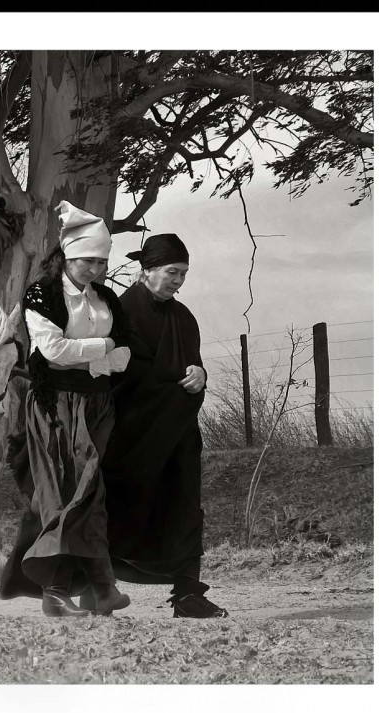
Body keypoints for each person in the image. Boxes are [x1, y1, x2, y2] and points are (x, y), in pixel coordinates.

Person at [0, 201, 133, 617]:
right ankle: (63, 590)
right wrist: (101, 349)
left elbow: (125, 355)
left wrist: (93, 354)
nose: (95, 270)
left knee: (91, 493)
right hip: (54, 406)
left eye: (101, 262)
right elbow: (51, 352)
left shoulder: (106, 298)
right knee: (61, 493)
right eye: (88, 261)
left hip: (97, 407)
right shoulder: (42, 293)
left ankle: (99, 588)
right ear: (69, 256)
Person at [101, 233, 229, 618]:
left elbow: (191, 364)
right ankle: (100, 589)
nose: (178, 281)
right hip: (129, 438)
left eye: (184, 274)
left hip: (177, 436)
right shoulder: (119, 314)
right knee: (118, 511)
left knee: (186, 509)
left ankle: (188, 594)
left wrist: (199, 374)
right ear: (148, 270)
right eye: (172, 272)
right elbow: (119, 375)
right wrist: (176, 375)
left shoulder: (184, 318)